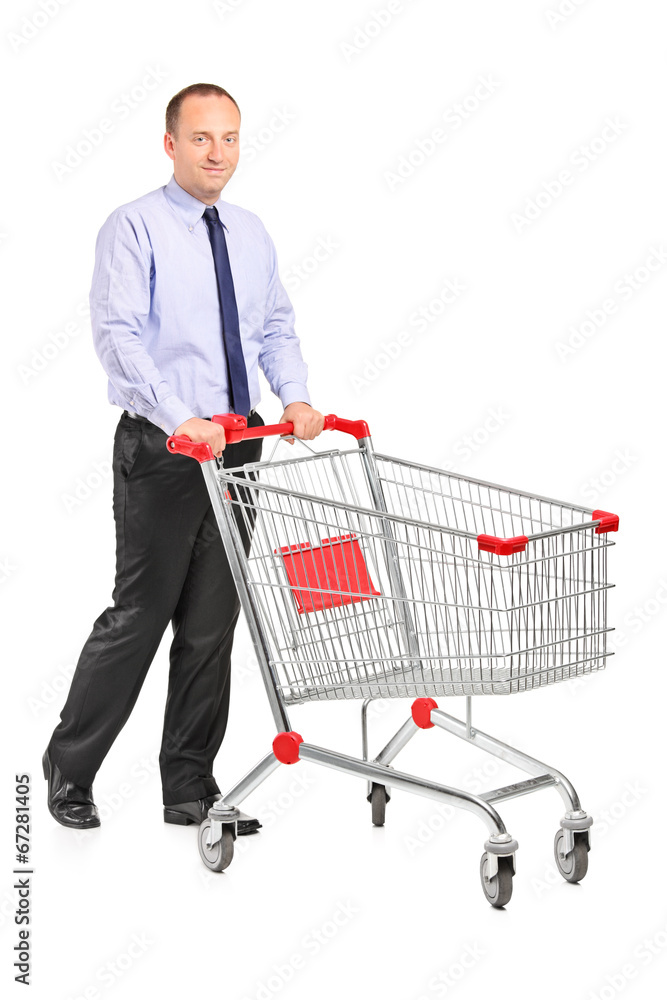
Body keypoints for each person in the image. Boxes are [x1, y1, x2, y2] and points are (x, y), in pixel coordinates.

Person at [43, 82, 324, 833]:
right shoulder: (133, 227)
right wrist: (181, 418)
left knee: (211, 622)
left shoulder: (251, 231)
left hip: (239, 448)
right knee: (141, 614)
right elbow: (120, 337)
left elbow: (273, 328)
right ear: (170, 144)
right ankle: (69, 770)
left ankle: (190, 787)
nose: (217, 154)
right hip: (164, 447)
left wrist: (294, 398)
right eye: (201, 139)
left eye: (229, 138)